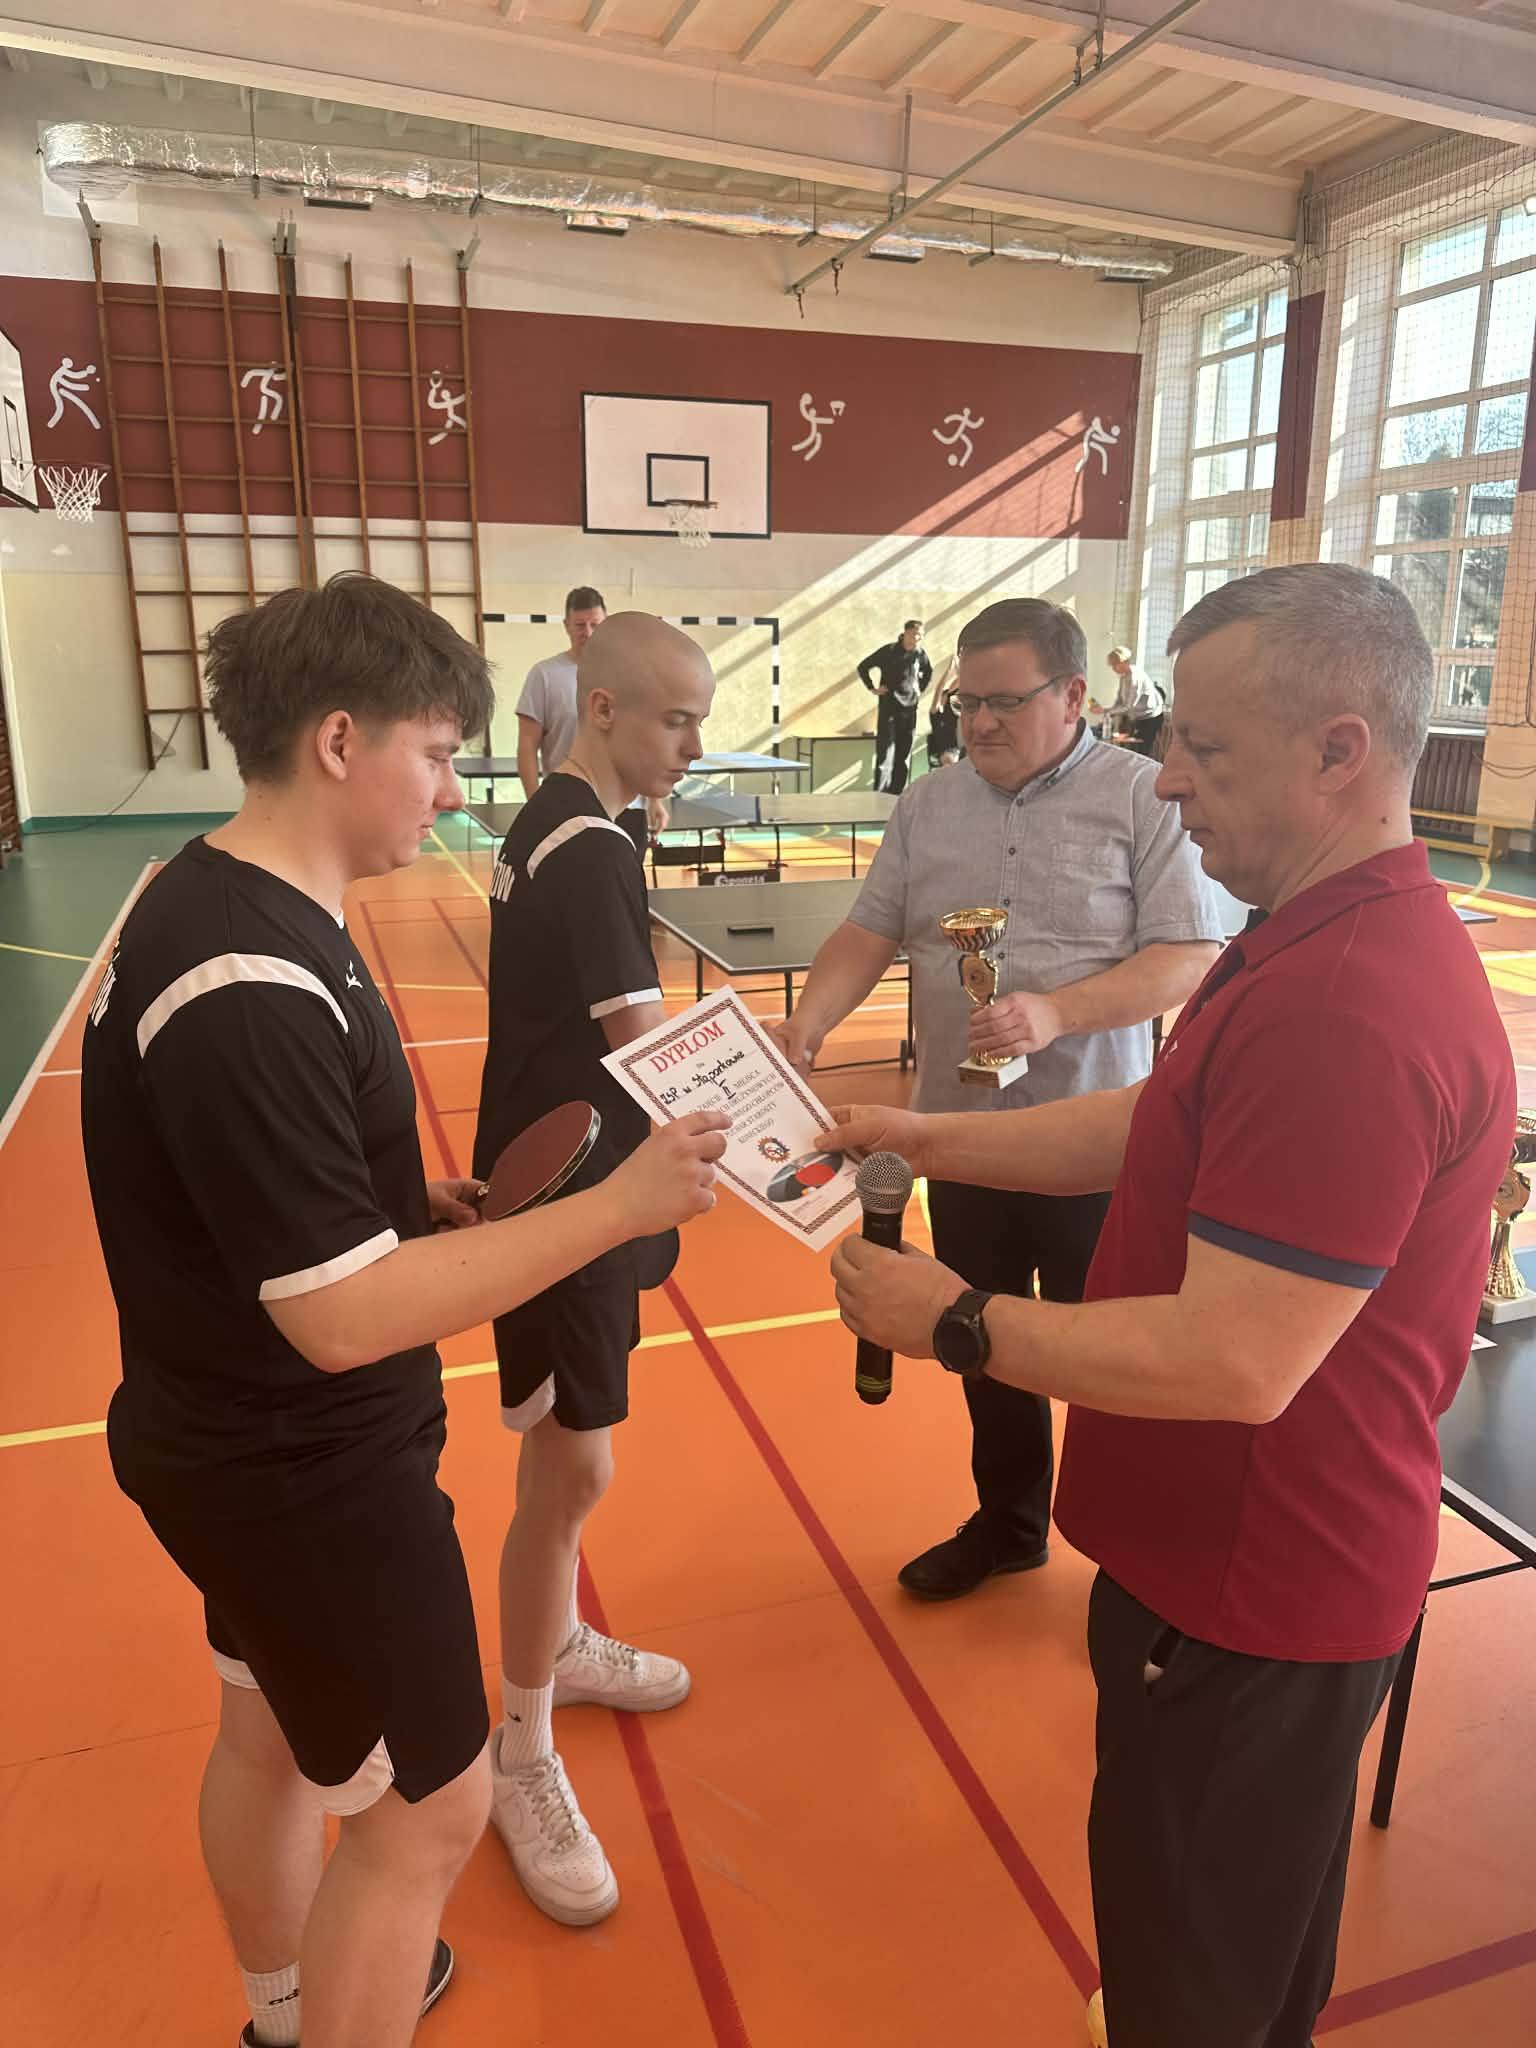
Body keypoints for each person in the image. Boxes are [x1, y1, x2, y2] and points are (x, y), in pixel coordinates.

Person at [825, 564, 1516, 2048]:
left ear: (1339, 750)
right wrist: (931, 1138)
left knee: (1192, 1982)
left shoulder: (1344, 1001)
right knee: (1237, 1955)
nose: (1167, 777)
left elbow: (1235, 1359)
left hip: (1249, 1596)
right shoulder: (1311, 930)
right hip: (1240, 1580)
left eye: (1203, 745)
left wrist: (954, 1319)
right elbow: (1161, 1121)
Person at [79, 575, 727, 2048]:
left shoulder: (230, 901)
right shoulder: (247, 976)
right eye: (435, 754)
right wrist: (616, 1207)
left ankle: (286, 2007)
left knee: (266, 1733)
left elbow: (258, 1204)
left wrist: (392, 1197)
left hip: (221, 1441)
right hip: (306, 1473)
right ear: (338, 740)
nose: (450, 790)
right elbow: (343, 1319)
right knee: (430, 1814)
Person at [776, 597, 1222, 1601]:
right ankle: (1010, 1524)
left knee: (1122, 1359)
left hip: (1098, 1147)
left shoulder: (1145, 797)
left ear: (1074, 696)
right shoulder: (929, 802)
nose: (977, 721)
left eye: (1003, 702)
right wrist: (807, 1025)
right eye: (965, 701)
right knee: (976, 1335)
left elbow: (1189, 955)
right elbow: (869, 930)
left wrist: (1059, 1013)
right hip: (959, 1138)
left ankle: (1141, 1562)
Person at [474, 613, 716, 1929]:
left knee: (572, 1466)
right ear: (606, 708)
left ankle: (554, 1642)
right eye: (678, 719)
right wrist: (775, 1129)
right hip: (573, 1192)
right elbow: (652, 1043)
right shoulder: (590, 848)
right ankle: (521, 1747)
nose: (696, 745)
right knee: (572, 1469)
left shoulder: (557, 821)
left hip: (572, 1176)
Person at [515, 586, 667, 846]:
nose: (587, 632)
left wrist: (656, 799)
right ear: (566, 626)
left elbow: (645, 739)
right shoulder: (544, 675)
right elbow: (527, 746)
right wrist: (535, 804)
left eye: (595, 624)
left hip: (627, 809)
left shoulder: (630, 673)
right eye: (580, 625)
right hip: (567, 809)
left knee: (624, 874)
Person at [859, 618, 933, 793]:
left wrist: (919, 690)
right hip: (889, 708)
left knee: (904, 754)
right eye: (915, 635)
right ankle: (880, 795)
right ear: (906, 633)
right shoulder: (889, 651)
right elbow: (863, 666)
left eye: (921, 636)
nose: (917, 639)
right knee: (886, 753)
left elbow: (928, 672)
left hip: (910, 709)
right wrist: (873, 688)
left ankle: (899, 794)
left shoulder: (920, 654)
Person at [1099, 644, 1167, 755]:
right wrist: (1107, 711)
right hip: (1137, 716)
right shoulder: (1123, 677)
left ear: (1124, 661)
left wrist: (1106, 711)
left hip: (1150, 717)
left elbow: (1129, 706)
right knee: (1128, 749)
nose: (1113, 669)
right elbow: (1119, 702)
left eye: (1115, 665)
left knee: (1141, 752)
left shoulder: (1136, 677)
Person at [926, 660, 962, 770]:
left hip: (950, 752)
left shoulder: (951, 712)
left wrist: (950, 672)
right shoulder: (936, 715)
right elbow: (939, 691)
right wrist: (949, 672)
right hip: (950, 752)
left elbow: (940, 691)